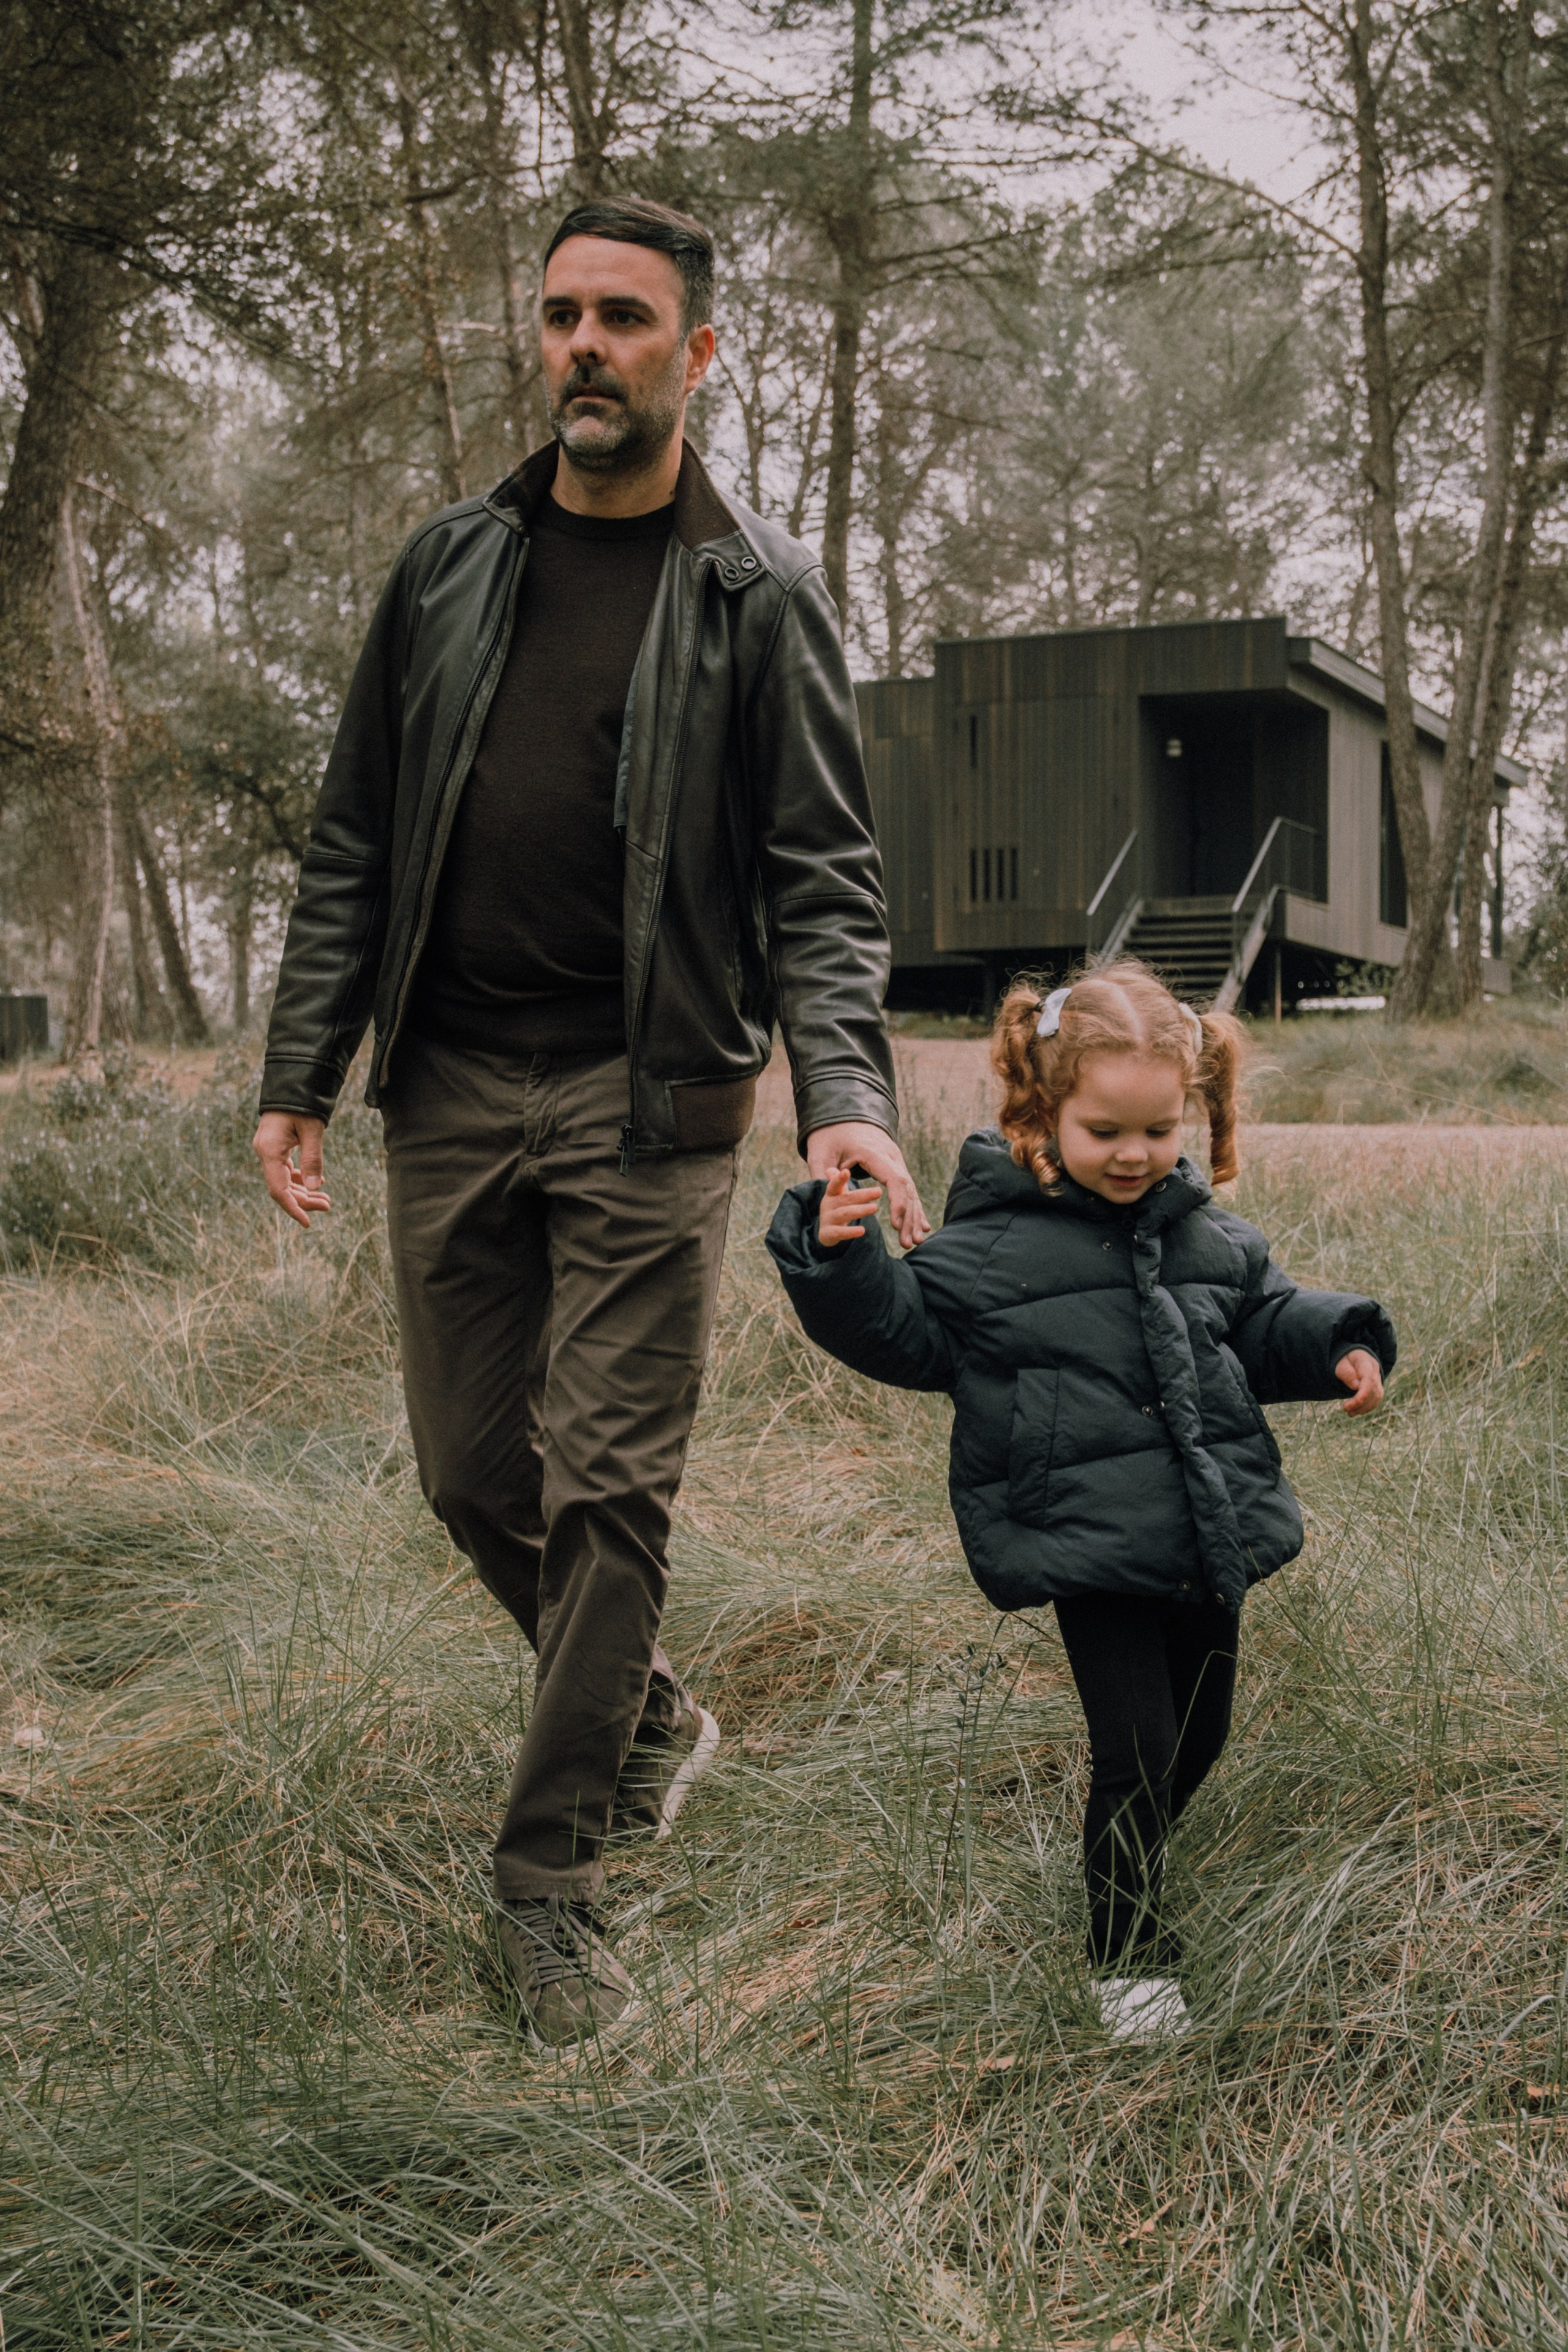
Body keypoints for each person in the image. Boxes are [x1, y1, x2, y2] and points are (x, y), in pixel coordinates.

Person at [252, 194, 929, 2046]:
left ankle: (548, 1887)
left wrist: (845, 1099)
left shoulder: (757, 596)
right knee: (475, 1475)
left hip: (652, 1104)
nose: (583, 347)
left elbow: (824, 882)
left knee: (608, 1485)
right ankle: (647, 1716)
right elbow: (352, 839)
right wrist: (301, 1072)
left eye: (623, 319)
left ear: (695, 354)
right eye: (560, 314)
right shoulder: (447, 567)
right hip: (451, 1088)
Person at [766, 959, 1395, 2041]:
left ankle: (1131, 1853)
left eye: (1158, 1130)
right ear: (1042, 1110)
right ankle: (1128, 1955)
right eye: (1106, 1131)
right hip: (1089, 1544)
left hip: (1204, 1529)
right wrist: (839, 1256)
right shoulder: (989, 1252)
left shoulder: (1210, 1237)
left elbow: (1262, 1320)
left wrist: (1340, 1344)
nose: (1136, 1155)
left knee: (1199, 1737)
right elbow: (905, 1334)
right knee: (1137, 1749)